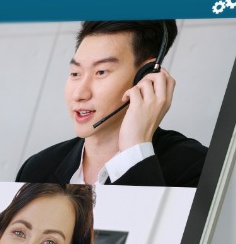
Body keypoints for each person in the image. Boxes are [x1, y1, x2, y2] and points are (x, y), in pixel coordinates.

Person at [15, 20, 205, 188]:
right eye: (75, 73)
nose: (80, 93)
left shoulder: (195, 167)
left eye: (101, 72)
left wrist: (135, 148)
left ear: (146, 76)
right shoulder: (36, 170)